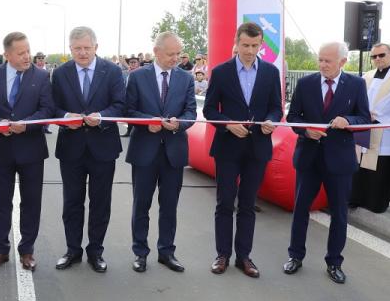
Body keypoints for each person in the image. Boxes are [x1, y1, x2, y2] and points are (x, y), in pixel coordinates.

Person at [284, 41, 370, 284]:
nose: (322, 65)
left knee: (339, 214)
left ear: (343, 62)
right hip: (309, 158)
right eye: (320, 59)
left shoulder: (356, 84)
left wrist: (348, 120)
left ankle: (334, 262)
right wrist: (305, 131)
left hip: (339, 161)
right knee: (300, 210)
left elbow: (364, 117)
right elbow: (293, 116)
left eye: (328, 61)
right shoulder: (305, 83)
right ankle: (295, 256)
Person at [202, 22, 282, 277]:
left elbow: (276, 108)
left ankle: (244, 257)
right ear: (236, 43)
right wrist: (227, 124)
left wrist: (271, 120)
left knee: (248, 204)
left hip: (257, 148)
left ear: (261, 45)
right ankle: (222, 255)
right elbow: (209, 109)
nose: (249, 50)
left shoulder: (271, 72)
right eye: (245, 45)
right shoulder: (221, 72)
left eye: (254, 45)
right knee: (225, 202)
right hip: (227, 148)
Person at [0, 31, 54, 271]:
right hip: (1, 150)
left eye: (28, 51)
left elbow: (47, 110)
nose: (27, 56)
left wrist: (26, 124)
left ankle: (27, 251)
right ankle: (0, 250)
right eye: (21, 53)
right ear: (7, 55)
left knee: (31, 202)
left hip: (31, 150)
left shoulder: (41, 77)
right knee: (0, 202)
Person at [52, 26, 125, 273]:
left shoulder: (112, 71)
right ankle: (72, 250)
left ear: (96, 47)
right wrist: (65, 117)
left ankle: (96, 251)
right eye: (77, 49)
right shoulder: (60, 73)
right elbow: (51, 106)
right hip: (71, 148)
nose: (82, 53)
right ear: (70, 49)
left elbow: (120, 104)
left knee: (100, 203)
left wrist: (102, 116)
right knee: (72, 202)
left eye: (86, 48)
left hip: (103, 147)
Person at [125, 32, 196, 273]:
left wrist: (179, 124)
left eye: (178, 53)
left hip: (174, 152)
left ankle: (167, 252)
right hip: (144, 151)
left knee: (169, 206)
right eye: (170, 54)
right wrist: (148, 122)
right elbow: (128, 111)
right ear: (156, 52)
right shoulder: (137, 77)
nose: (175, 58)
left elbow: (191, 113)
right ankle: (140, 252)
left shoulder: (185, 78)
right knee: (141, 204)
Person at [348, 43, 390, 213]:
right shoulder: (367, 76)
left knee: (382, 168)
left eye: (381, 55)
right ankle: (357, 198)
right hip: (366, 126)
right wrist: (361, 114)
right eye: (374, 56)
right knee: (361, 163)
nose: (377, 59)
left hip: (386, 129)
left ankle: (377, 202)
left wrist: (373, 114)